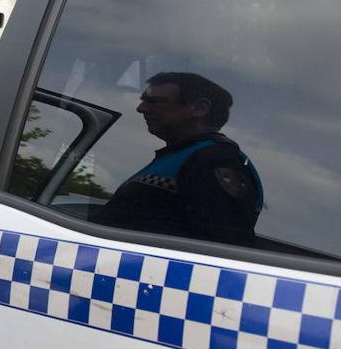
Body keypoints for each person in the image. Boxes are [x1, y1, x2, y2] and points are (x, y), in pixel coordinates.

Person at [99, 72, 263, 245]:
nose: (141, 108)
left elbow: (222, 246)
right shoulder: (186, 155)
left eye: (155, 101)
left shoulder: (215, 160)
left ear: (200, 108)